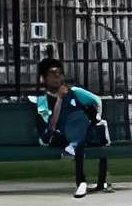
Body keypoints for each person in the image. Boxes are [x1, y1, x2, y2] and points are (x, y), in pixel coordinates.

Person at [33, 55, 112, 198]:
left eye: (59, 73)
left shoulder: (73, 92)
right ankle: (82, 179)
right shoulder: (43, 100)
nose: (57, 77)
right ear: (44, 78)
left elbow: (96, 101)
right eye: (53, 74)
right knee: (86, 137)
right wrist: (59, 99)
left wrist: (96, 116)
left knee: (83, 136)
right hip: (60, 135)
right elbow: (51, 126)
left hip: (79, 130)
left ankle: (88, 182)